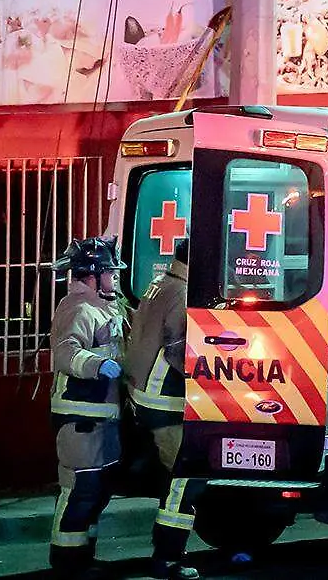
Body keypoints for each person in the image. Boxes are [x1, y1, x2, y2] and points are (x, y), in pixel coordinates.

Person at [48, 236, 129, 579]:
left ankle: (84, 556)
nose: (114, 278)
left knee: (96, 491)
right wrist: (95, 365)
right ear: (92, 274)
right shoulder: (78, 308)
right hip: (79, 415)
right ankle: (67, 563)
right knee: (80, 491)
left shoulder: (103, 304)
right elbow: (66, 351)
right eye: (109, 272)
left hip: (101, 416)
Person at [126, 238, 202, 579]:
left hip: (142, 394)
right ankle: (168, 558)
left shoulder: (160, 284)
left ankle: (167, 554)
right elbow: (177, 346)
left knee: (176, 477)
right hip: (164, 398)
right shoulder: (182, 294)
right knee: (185, 478)